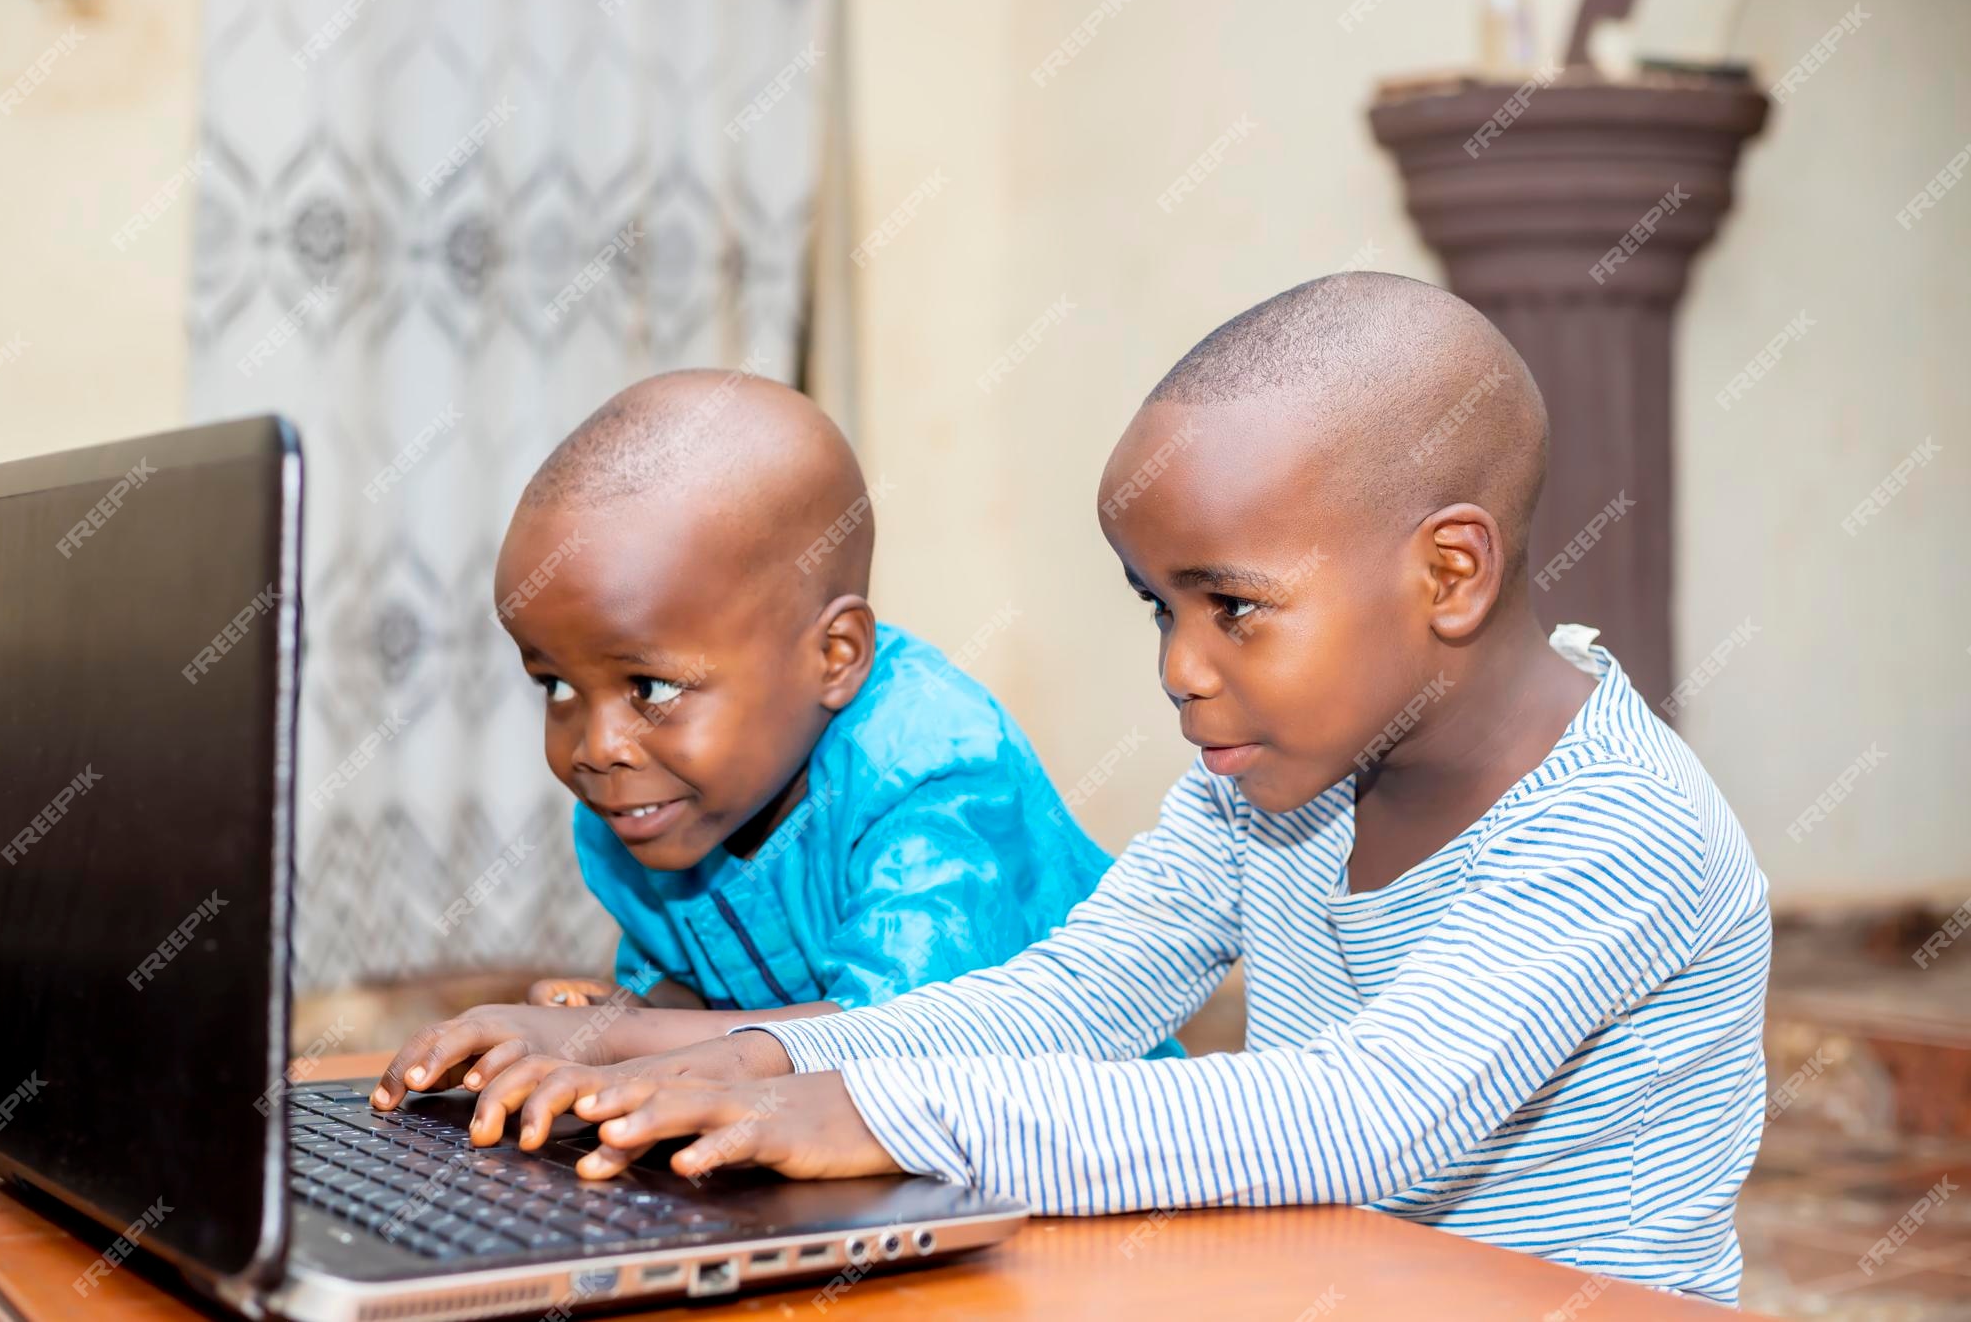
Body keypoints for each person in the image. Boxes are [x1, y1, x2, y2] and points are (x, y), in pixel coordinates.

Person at [485, 276, 1771, 1305]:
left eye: (1232, 607)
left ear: (1446, 573)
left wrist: (876, 1108)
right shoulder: (1271, 787)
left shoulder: (1614, 827)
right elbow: (1071, 996)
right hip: (1334, 1281)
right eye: (1159, 607)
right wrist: (746, 1061)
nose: (1178, 667)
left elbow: (1355, 1115)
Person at [371, 371, 1175, 1150]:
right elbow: (690, 994)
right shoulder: (643, 804)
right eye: (553, 684)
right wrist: (601, 1028)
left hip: (1093, 1183)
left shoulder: (936, 766)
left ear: (835, 654)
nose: (596, 747)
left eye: (649, 684)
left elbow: (897, 1043)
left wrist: (619, 1038)